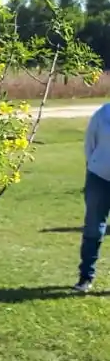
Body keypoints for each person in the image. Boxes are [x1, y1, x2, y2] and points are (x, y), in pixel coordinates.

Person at [75, 101, 110, 292]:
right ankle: (85, 277)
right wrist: (94, 166)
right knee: (94, 229)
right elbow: (90, 144)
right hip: (99, 178)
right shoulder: (103, 114)